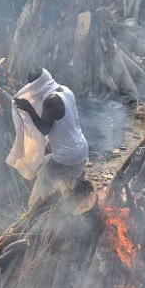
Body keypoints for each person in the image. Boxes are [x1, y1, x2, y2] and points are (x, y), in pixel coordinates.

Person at [6, 69, 89, 207]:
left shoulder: (51, 100)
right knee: (46, 163)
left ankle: (38, 208)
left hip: (67, 157)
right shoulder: (65, 90)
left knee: (46, 186)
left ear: (38, 86)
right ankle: (66, 193)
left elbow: (44, 129)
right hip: (82, 151)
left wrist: (29, 109)